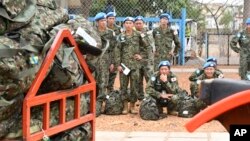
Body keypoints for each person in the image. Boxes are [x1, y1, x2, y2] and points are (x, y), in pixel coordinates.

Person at [115, 17, 147, 114]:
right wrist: (118, 64)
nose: (128, 25)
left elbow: (145, 47)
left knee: (134, 86)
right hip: (124, 66)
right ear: (124, 24)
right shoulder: (120, 36)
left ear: (132, 24)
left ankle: (132, 106)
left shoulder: (138, 35)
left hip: (135, 66)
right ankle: (125, 106)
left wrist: (141, 56)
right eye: (126, 23)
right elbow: (117, 51)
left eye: (130, 23)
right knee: (123, 86)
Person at [94, 12, 116, 101]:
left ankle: (101, 101)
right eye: (101, 21)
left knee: (103, 80)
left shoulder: (110, 33)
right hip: (94, 60)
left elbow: (114, 49)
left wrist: (112, 63)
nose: (104, 22)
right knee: (93, 80)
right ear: (97, 22)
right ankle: (91, 99)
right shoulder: (93, 32)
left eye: (104, 20)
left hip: (105, 60)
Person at [134, 15, 155, 101]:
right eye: (137, 23)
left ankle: (150, 98)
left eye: (140, 23)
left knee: (149, 80)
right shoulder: (133, 33)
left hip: (146, 61)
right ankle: (141, 98)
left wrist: (142, 56)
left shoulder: (148, 33)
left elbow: (149, 48)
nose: (138, 25)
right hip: (136, 61)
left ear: (143, 24)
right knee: (138, 80)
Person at [106, 11, 123, 92]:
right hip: (105, 53)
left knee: (113, 73)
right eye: (110, 18)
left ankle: (110, 91)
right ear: (107, 19)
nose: (112, 20)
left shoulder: (118, 29)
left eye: (113, 18)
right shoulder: (104, 28)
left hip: (114, 53)